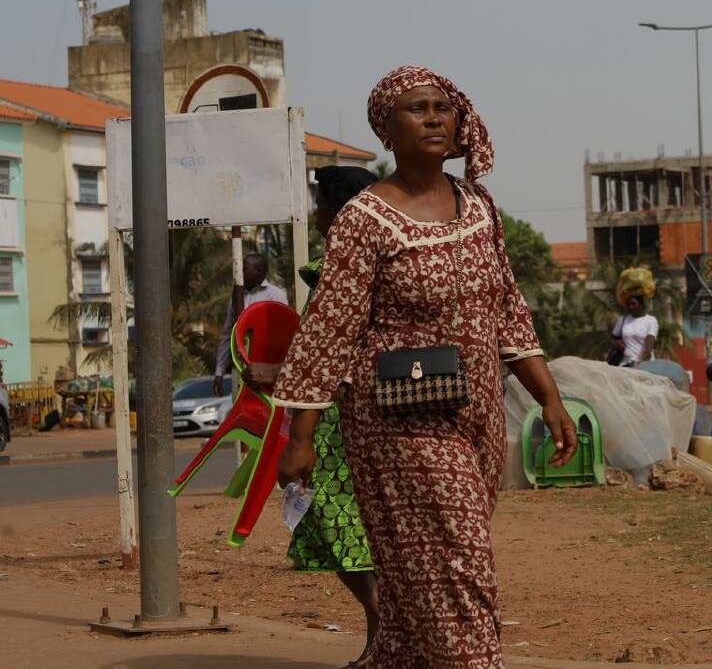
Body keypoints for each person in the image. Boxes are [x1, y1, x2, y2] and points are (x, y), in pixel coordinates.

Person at [273, 66, 578, 668]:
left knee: (427, 573)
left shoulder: (479, 206)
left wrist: (549, 397)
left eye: (443, 106)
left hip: (479, 416)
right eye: (417, 109)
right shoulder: (364, 219)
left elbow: (509, 310)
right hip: (399, 422)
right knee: (459, 560)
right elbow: (329, 328)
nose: (435, 117)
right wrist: (299, 438)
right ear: (387, 130)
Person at [287, 165, 380, 666]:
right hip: (348, 420)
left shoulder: (343, 273)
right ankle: (379, 638)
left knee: (341, 527)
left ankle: (384, 625)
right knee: (357, 537)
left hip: (341, 427)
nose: (316, 211)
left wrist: (299, 438)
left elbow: (328, 354)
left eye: (322, 201)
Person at [213, 253, 289, 396]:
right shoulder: (236, 296)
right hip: (240, 368)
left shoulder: (275, 295)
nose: (239, 272)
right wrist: (219, 372)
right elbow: (228, 334)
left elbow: (281, 333)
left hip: (265, 369)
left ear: (259, 271)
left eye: (245, 269)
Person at [610, 294, 657, 367]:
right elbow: (613, 337)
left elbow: (650, 337)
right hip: (626, 363)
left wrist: (647, 351)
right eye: (629, 304)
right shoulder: (623, 319)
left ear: (641, 304)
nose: (630, 307)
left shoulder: (651, 320)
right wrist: (617, 343)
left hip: (645, 364)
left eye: (633, 304)